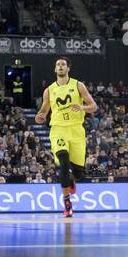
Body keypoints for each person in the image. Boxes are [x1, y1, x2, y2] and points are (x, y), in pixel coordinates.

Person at [34, 58, 98, 218]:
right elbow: (43, 111)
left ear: (68, 68)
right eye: (58, 65)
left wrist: (82, 107)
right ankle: (67, 202)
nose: (60, 66)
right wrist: (40, 117)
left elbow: (94, 106)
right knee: (63, 162)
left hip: (76, 130)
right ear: (55, 69)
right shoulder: (49, 90)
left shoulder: (78, 85)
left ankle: (72, 179)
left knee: (78, 173)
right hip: (58, 130)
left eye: (63, 64)